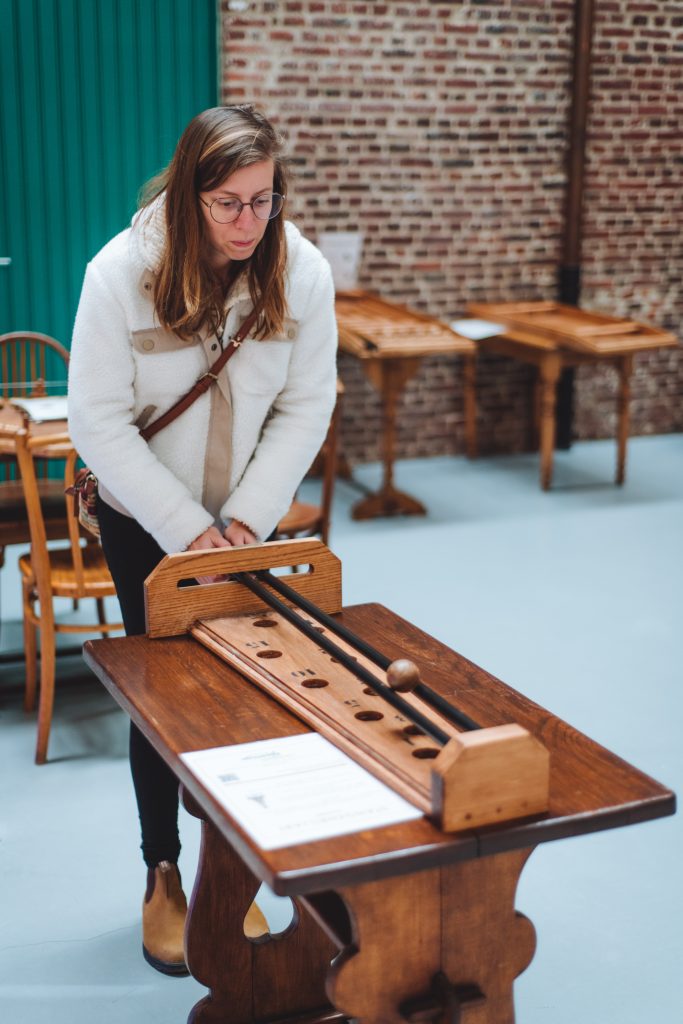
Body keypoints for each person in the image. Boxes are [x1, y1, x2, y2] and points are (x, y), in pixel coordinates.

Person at [67, 105, 337, 976]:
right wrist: (189, 531)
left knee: (249, 695)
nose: (248, 225)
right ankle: (163, 871)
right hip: (148, 520)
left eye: (263, 201)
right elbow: (97, 422)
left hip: (243, 521)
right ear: (188, 192)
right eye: (226, 204)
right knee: (160, 695)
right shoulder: (119, 274)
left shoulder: (302, 272)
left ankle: (237, 871)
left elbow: (306, 404)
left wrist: (247, 519)